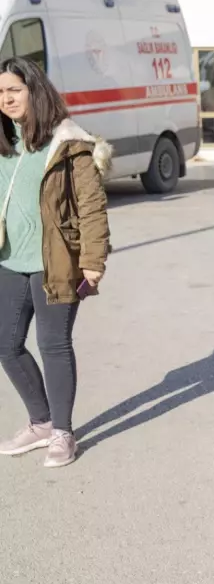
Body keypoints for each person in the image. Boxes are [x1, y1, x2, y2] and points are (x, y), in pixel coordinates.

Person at [0, 57, 111, 469]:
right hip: (9, 260)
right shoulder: (3, 141)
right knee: (6, 345)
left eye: (14, 90)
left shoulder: (68, 142)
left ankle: (63, 432)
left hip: (56, 260)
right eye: (0, 92)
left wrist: (94, 259)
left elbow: (92, 206)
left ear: (34, 90)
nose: (6, 99)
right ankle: (42, 422)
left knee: (53, 345)